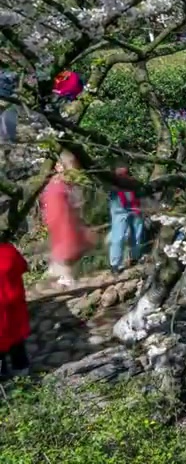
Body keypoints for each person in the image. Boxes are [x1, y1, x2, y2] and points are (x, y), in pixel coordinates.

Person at [41, 150, 94, 286]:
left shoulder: (66, 185)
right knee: (67, 247)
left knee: (77, 245)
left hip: (69, 220)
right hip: (63, 221)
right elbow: (54, 206)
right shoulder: (56, 185)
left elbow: (76, 202)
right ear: (58, 166)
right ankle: (64, 275)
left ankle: (63, 272)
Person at [107, 166, 147, 275]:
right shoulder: (112, 184)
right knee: (118, 236)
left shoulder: (134, 182)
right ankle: (115, 264)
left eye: (123, 173)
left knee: (136, 233)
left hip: (134, 204)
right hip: (119, 204)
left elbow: (141, 191)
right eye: (119, 174)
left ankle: (134, 258)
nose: (122, 175)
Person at [0, 240, 30, 379]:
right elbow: (23, 266)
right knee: (17, 339)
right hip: (15, 305)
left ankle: (3, 373)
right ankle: (22, 371)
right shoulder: (9, 250)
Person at [0, 68, 17, 144]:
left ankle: (9, 138)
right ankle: (9, 138)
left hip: (7, 98)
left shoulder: (9, 74)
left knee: (9, 114)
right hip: (7, 98)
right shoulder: (10, 74)